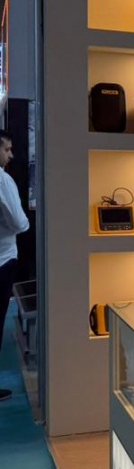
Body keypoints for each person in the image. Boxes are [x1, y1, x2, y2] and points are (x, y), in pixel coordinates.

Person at [0, 131, 27, 402]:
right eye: (6, 149)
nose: (11, 155)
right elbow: (19, 223)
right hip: (3, 258)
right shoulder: (3, 180)